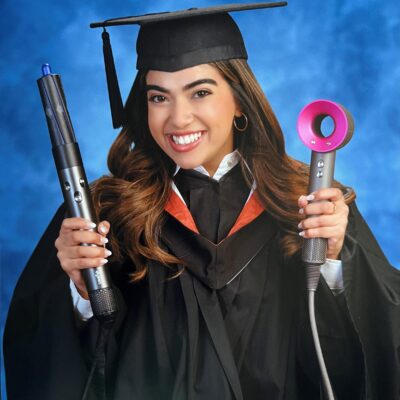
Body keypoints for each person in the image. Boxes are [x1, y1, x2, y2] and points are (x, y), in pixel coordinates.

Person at [4, 3, 400, 400]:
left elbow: (380, 336)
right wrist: (81, 294)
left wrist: (334, 261)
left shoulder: (308, 206)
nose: (178, 118)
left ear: (240, 100)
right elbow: (44, 353)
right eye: (159, 97)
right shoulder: (107, 213)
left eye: (200, 93)